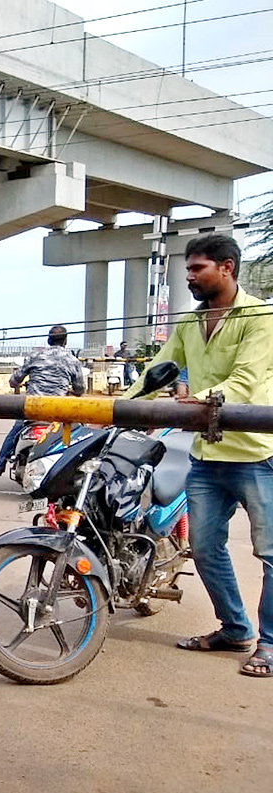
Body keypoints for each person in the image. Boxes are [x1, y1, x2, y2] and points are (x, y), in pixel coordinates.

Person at [123, 233, 273, 679]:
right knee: (205, 548)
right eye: (187, 269)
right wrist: (121, 408)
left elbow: (245, 382)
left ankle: (269, 643)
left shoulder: (259, 316)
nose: (188, 277)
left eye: (197, 269)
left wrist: (190, 404)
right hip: (207, 456)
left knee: (270, 553)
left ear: (226, 268)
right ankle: (235, 629)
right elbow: (159, 370)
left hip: (257, 454)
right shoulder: (191, 322)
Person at [0, 325, 86, 477]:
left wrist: (16, 383)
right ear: (65, 341)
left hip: (32, 409)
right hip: (57, 410)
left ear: (49, 340)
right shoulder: (72, 361)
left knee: (16, 430)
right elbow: (80, 389)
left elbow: (14, 380)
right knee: (77, 432)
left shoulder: (36, 356)